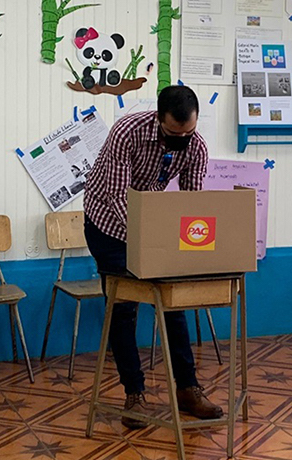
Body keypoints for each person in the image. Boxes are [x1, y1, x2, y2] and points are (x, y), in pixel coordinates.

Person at [83, 86, 222, 429]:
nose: (182, 139)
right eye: (175, 133)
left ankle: (187, 389)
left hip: (149, 225)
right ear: (159, 118)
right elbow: (116, 197)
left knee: (173, 302)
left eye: (188, 132)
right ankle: (134, 394)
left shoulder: (197, 146)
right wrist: (147, 242)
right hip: (108, 226)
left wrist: (188, 248)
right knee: (124, 307)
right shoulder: (127, 133)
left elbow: (190, 204)